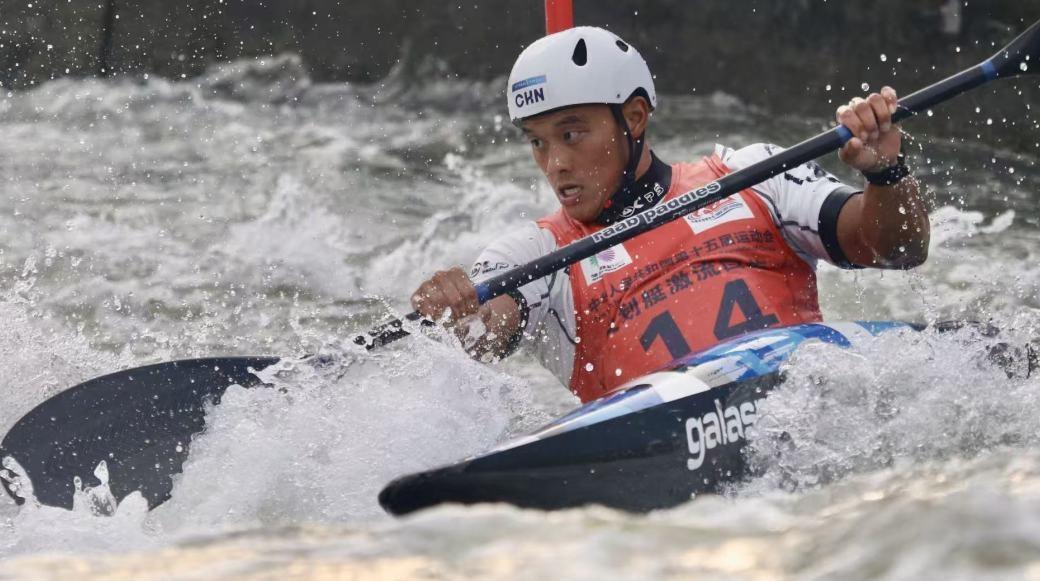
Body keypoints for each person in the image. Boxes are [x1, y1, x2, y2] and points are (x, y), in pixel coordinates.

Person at [410, 27, 930, 403]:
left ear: (633, 117)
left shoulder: (753, 175)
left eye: (571, 135)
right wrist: (459, 315)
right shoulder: (536, 254)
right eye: (538, 144)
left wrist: (886, 174)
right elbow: (487, 331)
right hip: (660, 442)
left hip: (805, 402)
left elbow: (899, 249)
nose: (556, 163)